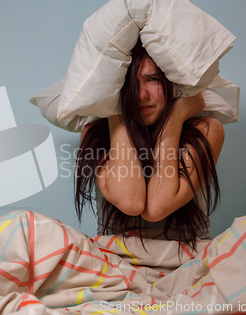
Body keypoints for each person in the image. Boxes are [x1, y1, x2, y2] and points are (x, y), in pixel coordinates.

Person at [75, 42, 225, 249]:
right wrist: (114, 109)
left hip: (187, 262)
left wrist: (174, 119)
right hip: (117, 263)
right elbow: (130, 201)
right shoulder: (95, 133)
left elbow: (156, 207)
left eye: (153, 79)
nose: (141, 95)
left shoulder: (207, 129)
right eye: (129, 85)